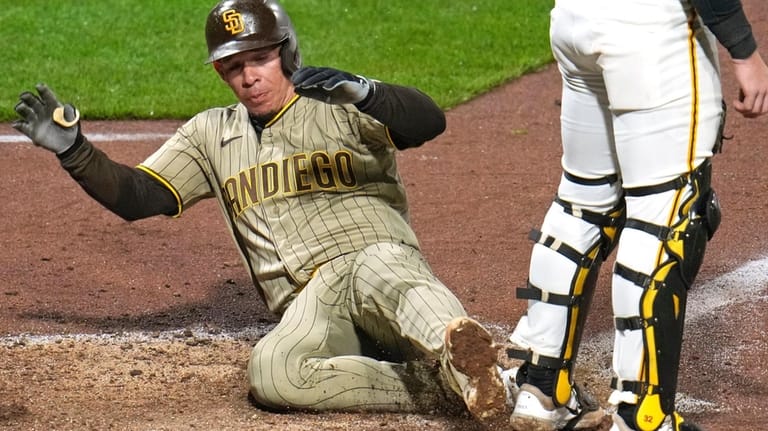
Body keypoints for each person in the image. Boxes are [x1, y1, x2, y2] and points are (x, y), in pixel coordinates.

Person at [11, 0, 510, 424]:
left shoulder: (340, 99)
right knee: (273, 374)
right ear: (219, 72)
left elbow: (429, 122)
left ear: (287, 53)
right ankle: (454, 384)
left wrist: (366, 90)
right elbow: (139, 196)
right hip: (311, 304)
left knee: (391, 276)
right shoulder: (211, 134)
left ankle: (469, 357)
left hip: (374, 261)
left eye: (261, 58)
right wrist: (74, 151)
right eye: (233, 67)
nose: (249, 77)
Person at [503, 0, 768, 430]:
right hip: (647, 33)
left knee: (584, 206)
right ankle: (643, 415)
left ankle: (541, 387)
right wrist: (745, 53)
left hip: (574, 21)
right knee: (668, 219)